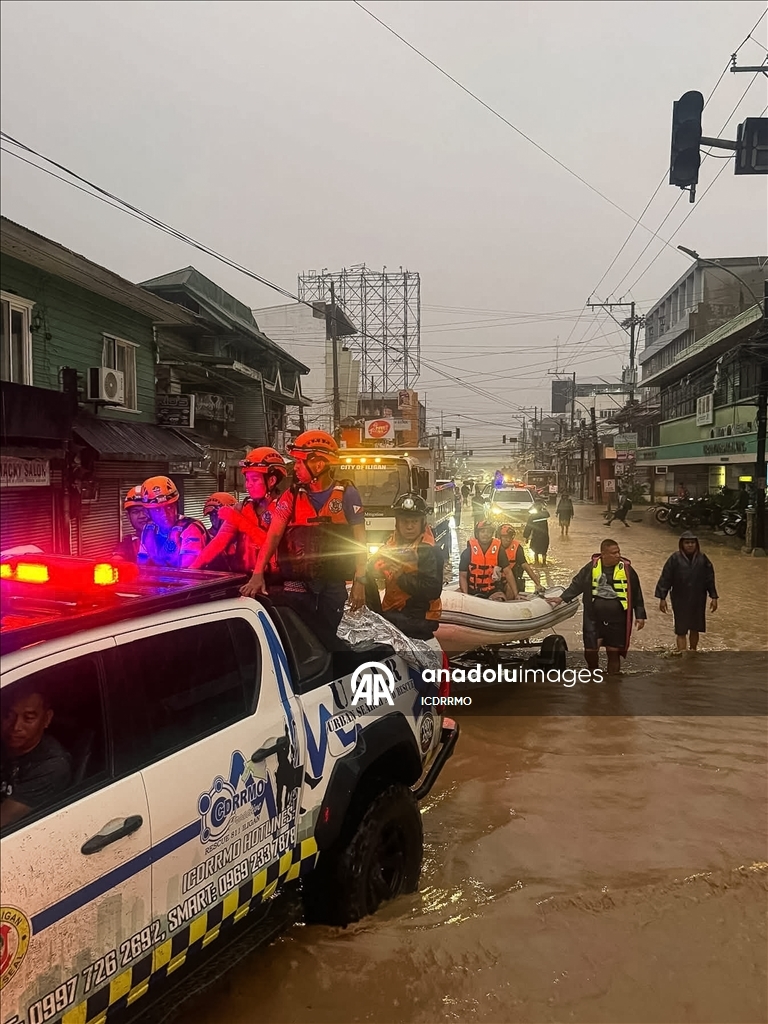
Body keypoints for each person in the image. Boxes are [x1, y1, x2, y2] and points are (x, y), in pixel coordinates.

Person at [240, 430, 367, 640]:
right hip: (298, 585)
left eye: (300, 462)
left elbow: (361, 542)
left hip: (333, 584)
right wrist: (257, 573)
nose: (295, 467)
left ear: (319, 464)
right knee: (299, 637)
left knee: (333, 638)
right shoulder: (291, 495)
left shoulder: (347, 494)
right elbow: (273, 536)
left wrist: (360, 581)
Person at [547, 538, 646, 675]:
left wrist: (640, 615)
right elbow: (577, 584)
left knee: (613, 652)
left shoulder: (627, 570)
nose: (618, 555)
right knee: (591, 650)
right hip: (593, 618)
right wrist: (562, 598)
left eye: (618, 552)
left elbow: (636, 593)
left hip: (617, 619)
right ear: (603, 554)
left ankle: (612, 683)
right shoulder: (591, 568)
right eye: (613, 553)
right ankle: (593, 674)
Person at [192, 449, 288, 574]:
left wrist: (238, 520)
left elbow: (272, 547)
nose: (248, 485)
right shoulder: (242, 508)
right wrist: (191, 569)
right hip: (242, 580)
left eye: (254, 480)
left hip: (273, 583)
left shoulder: (284, 508)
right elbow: (219, 542)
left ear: (271, 481)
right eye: (247, 480)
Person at [365, 493, 444, 640]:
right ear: (397, 523)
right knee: (363, 578)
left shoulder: (430, 551)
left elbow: (433, 590)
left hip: (420, 616)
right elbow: (371, 566)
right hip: (394, 610)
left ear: (422, 523)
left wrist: (401, 577)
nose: (409, 526)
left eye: (414, 521)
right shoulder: (391, 543)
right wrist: (376, 569)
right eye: (404, 521)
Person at [1, 685, 72, 828]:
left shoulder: (52, 767)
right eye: (9, 716)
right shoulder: (5, 741)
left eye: (28, 718)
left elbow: (4, 819)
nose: (16, 726)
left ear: (46, 719)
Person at [655, 530, 718, 652]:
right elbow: (665, 578)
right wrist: (662, 598)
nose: (690, 545)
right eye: (687, 542)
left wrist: (714, 597)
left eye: (692, 542)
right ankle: (682, 653)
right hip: (680, 599)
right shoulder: (674, 559)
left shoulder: (703, 559)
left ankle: (693, 651)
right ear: (682, 544)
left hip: (698, 598)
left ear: (696, 544)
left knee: (695, 627)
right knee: (681, 629)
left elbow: (710, 579)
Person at [138, 476, 208, 569]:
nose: (165, 514)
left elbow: (189, 573)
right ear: (147, 512)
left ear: (177, 505)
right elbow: (141, 567)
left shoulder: (190, 529)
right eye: (157, 510)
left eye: (169, 507)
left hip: (196, 582)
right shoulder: (148, 530)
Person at [459, 520, 518, 601]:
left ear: (492, 534)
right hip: (472, 591)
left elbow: (508, 572)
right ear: (477, 534)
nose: (486, 534)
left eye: (489, 532)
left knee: (500, 599)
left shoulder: (499, 551)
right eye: (483, 531)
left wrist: (516, 594)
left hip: (493, 591)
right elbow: (462, 576)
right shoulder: (468, 552)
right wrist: (465, 595)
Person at [196, 492, 239, 571]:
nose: (213, 518)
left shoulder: (242, 537)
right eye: (211, 515)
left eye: (216, 514)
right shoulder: (205, 537)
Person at [497, 523, 543, 595]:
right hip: (495, 581)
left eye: (510, 537)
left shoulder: (517, 548)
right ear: (499, 537)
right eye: (505, 537)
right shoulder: (492, 547)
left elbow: (525, 566)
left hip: (512, 581)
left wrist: (538, 584)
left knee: (510, 588)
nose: (508, 539)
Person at [113, 486, 149, 562]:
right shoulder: (127, 544)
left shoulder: (172, 538)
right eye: (135, 512)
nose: (142, 516)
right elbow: (117, 559)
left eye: (146, 511)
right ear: (128, 516)